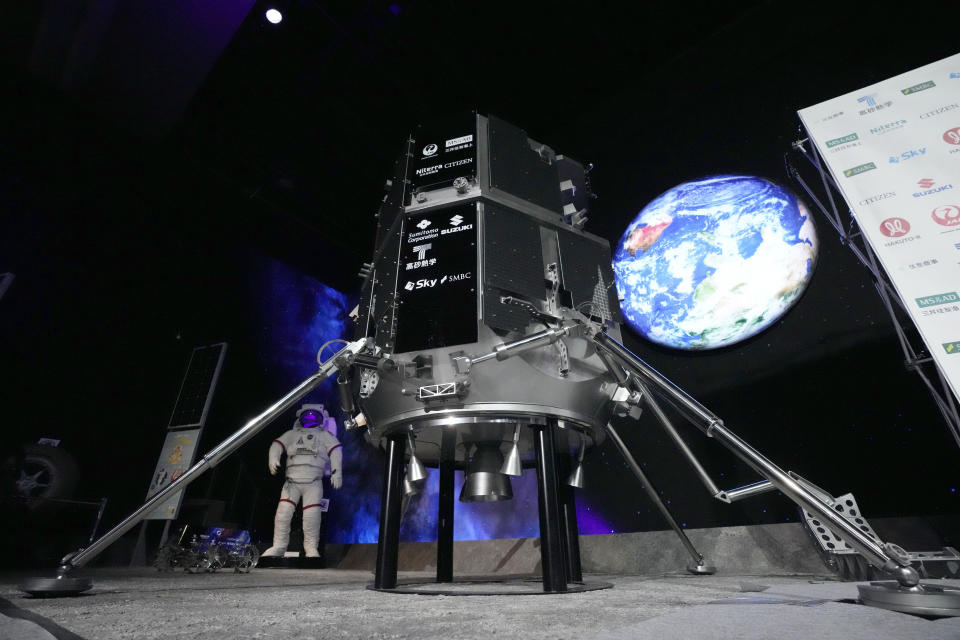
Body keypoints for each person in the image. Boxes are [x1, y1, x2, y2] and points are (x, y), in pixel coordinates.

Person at [261, 404, 342, 558]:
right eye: (307, 415)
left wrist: (336, 473)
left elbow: (335, 451)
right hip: (292, 482)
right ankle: (278, 546)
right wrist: (273, 458)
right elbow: (277, 445)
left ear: (322, 419)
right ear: (300, 417)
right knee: (282, 514)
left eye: (314, 415)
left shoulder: (325, 435)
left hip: (313, 482)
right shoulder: (292, 434)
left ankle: (311, 548)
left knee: (312, 515)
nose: (310, 417)